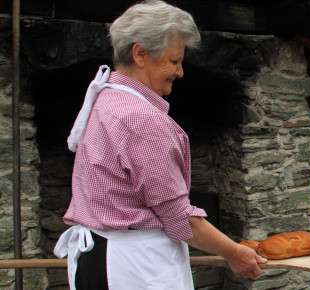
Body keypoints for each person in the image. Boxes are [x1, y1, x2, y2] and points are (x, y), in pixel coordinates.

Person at [53, 1, 266, 289]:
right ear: (140, 54)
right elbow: (181, 218)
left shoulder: (107, 98)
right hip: (133, 266)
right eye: (174, 61)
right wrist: (234, 253)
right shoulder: (140, 119)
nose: (180, 72)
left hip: (101, 257)